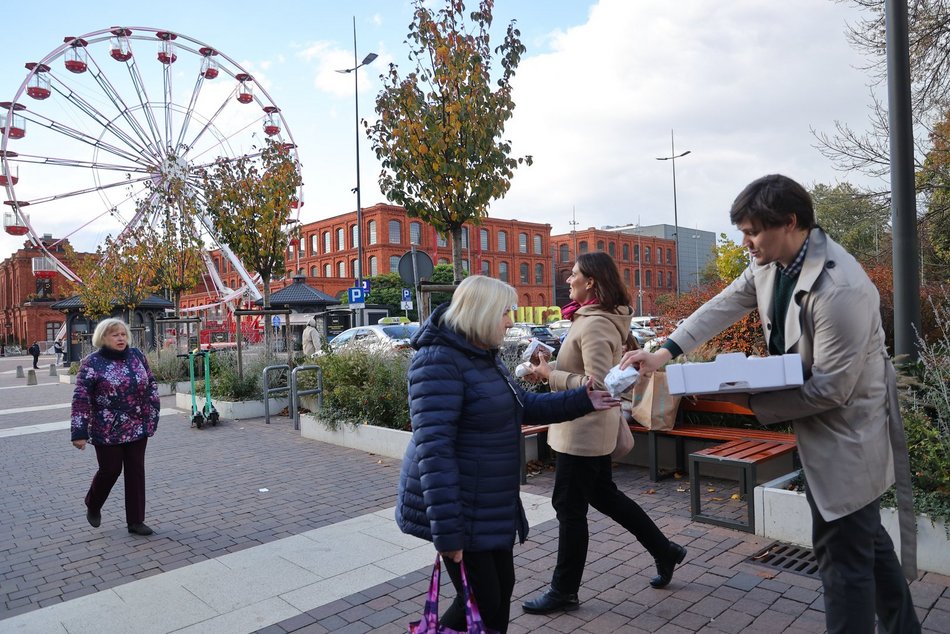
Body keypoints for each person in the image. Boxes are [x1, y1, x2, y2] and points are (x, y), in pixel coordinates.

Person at [621, 174, 920, 634]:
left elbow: (832, 391)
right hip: (818, 421)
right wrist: (665, 352)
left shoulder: (841, 290)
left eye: (752, 231)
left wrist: (743, 398)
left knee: (842, 559)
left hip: (848, 433)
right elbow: (723, 304)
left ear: (791, 223)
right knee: (861, 540)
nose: (745, 242)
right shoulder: (772, 263)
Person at [395, 275, 621, 633]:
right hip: (461, 508)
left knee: (494, 598)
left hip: (489, 503)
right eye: (505, 312)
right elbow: (433, 451)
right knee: (485, 603)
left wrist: (584, 399)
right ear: (482, 313)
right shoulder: (437, 361)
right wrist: (447, 533)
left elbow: (523, 404)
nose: (511, 321)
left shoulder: (483, 354)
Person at [521, 252, 687, 616]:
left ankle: (564, 591)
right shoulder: (601, 317)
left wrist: (552, 375)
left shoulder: (595, 323)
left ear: (591, 281)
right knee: (605, 497)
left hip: (584, 431)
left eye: (574, 275)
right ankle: (665, 551)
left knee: (569, 507)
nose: (568, 281)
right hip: (588, 428)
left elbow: (599, 385)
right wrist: (550, 372)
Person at [71, 318, 160, 537]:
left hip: (137, 425)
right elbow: (81, 398)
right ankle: (93, 503)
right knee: (110, 470)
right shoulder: (91, 363)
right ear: (103, 338)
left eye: (123, 334)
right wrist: (79, 432)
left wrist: (153, 414)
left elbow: (151, 384)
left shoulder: (137, 355)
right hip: (106, 427)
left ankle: (136, 521)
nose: (121, 338)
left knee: (136, 471)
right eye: (115, 335)